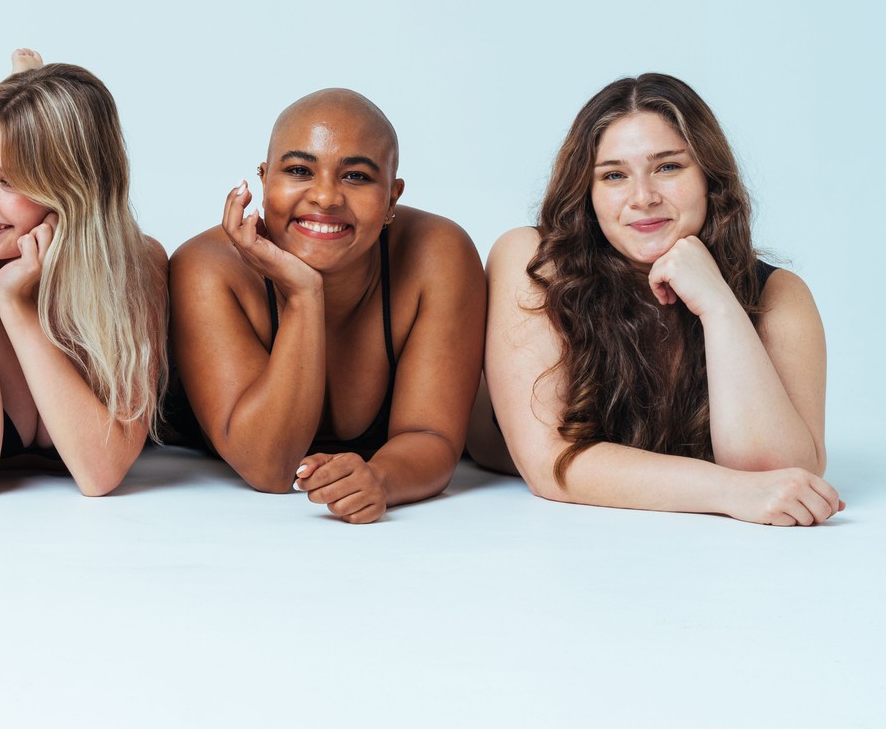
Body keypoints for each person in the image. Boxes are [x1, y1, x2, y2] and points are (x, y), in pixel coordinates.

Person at [476, 73, 838, 524]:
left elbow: (780, 476)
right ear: (587, 194)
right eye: (613, 175)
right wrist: (727, 492)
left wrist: (719, 306)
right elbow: (551, 463)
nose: (643, 197)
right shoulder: (533, 260)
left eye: (668, 167)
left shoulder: (779, 294)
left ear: (709, 175)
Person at [167, 89, 485, 523]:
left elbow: (430, 434)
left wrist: (382, 479)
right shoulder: (207, 268)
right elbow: (268, 466)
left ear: (392, 197)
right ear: (264, 181)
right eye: (299, 170)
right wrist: (303, 294)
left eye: (356, 176)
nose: (326, 197)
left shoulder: (439, 254)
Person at [0, 53, 169, 497]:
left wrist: (16, 305)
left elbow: (101, 471)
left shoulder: (133, 264)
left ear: (73, 190)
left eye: (9, 181)